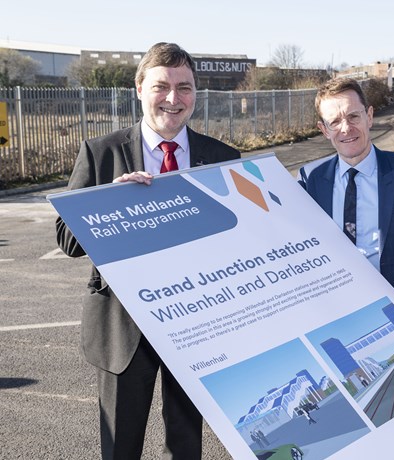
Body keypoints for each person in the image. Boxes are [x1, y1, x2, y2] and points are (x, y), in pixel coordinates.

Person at [55, 42, 240, 460]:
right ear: (139, 88)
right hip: (124, 327)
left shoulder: (223, 159)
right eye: (161, 86)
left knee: (186, 446)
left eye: (185, 87)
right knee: (121, 447)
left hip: (198, 326)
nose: (174, 99)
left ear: (196, 93)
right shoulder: (101, 153)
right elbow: (66, 241)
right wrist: (107, 205)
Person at [299, 78, 394, 323]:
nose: (346, 128)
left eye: (353, 116)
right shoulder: (311, 179)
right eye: (335, 122)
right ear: (324, 130)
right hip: (333, 314)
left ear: (369, 116)